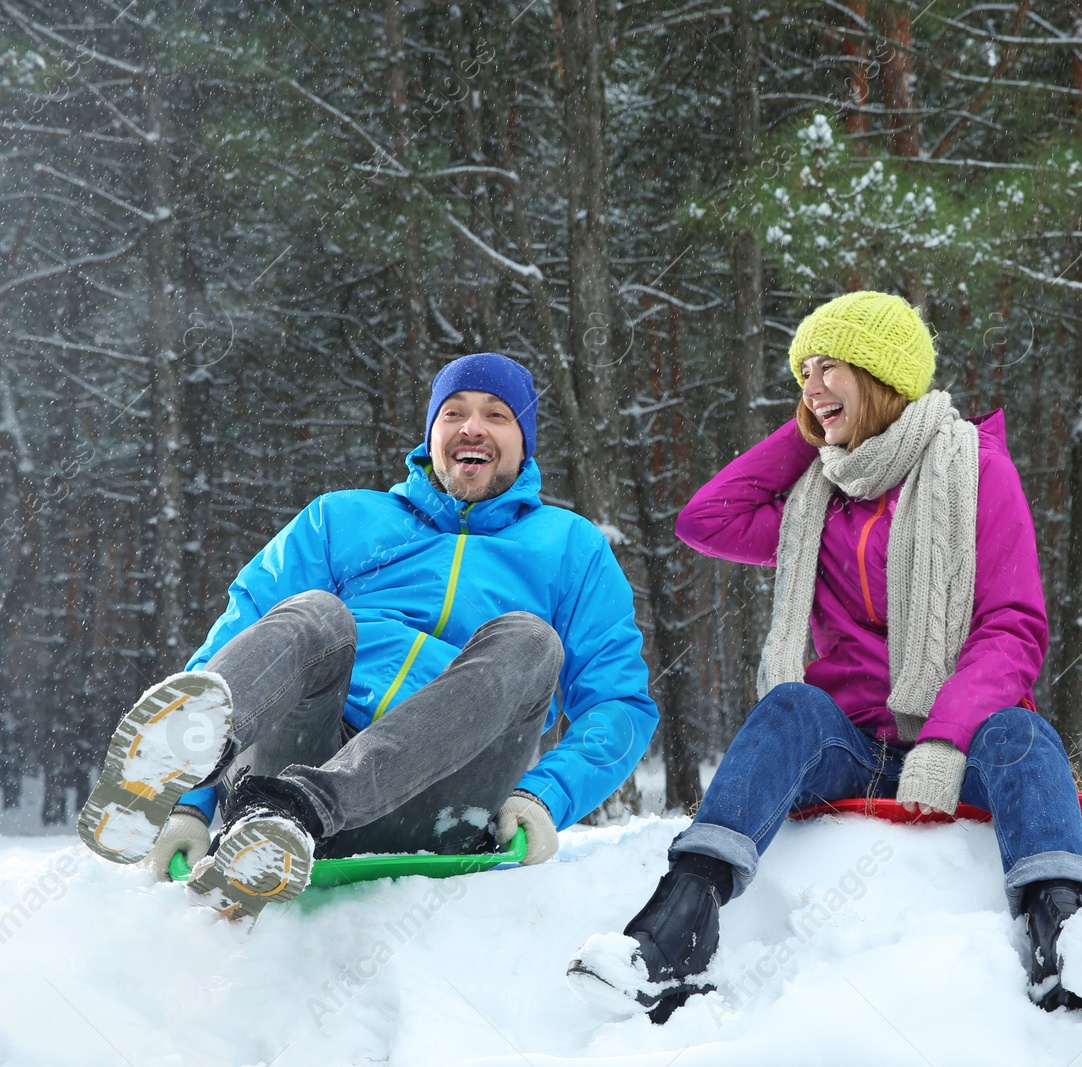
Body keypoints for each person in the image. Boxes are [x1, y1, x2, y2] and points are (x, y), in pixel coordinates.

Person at [566, 291, 1082, 1023]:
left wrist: (944, 733)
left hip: (969, 740)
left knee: (1026, 736)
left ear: (883, 373)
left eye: (828, 366)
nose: (809, 385)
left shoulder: (978, 472)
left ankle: (1065, 933)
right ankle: (675, 930)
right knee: (791, 706)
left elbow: (1012, 627)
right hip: (855, 742)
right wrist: (814, 432)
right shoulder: (818, 495)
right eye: (802, 371)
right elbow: (705, 519)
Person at [77, 353, 658, 918]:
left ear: (523, 440)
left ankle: (307, 807)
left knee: (530, 640)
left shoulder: (570, 547)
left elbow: (618, 702)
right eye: (453, 412)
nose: (472, 427)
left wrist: (548, 793)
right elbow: (240, 636)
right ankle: (180, 772)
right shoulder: (341, 519)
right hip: (293, 771)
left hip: (449, 793)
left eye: (496, 414)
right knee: (314, 612)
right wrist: (191, 804)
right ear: (431, 434)